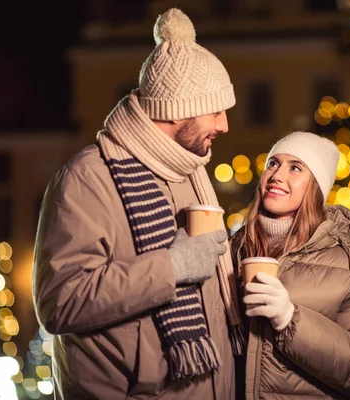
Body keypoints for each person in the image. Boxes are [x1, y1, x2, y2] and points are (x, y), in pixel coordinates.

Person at [33, 8, 245, 400]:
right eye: (216, 110)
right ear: (177, 108)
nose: (224, 125)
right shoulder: (88, 178)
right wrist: (172, 266)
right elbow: (59, 301)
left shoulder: (189, 175)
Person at [230, 131, 350, 399]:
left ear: (316, 186)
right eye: (273, 163)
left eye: (295, 168)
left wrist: (290, 320)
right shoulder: (232, 252)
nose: (277, 175)